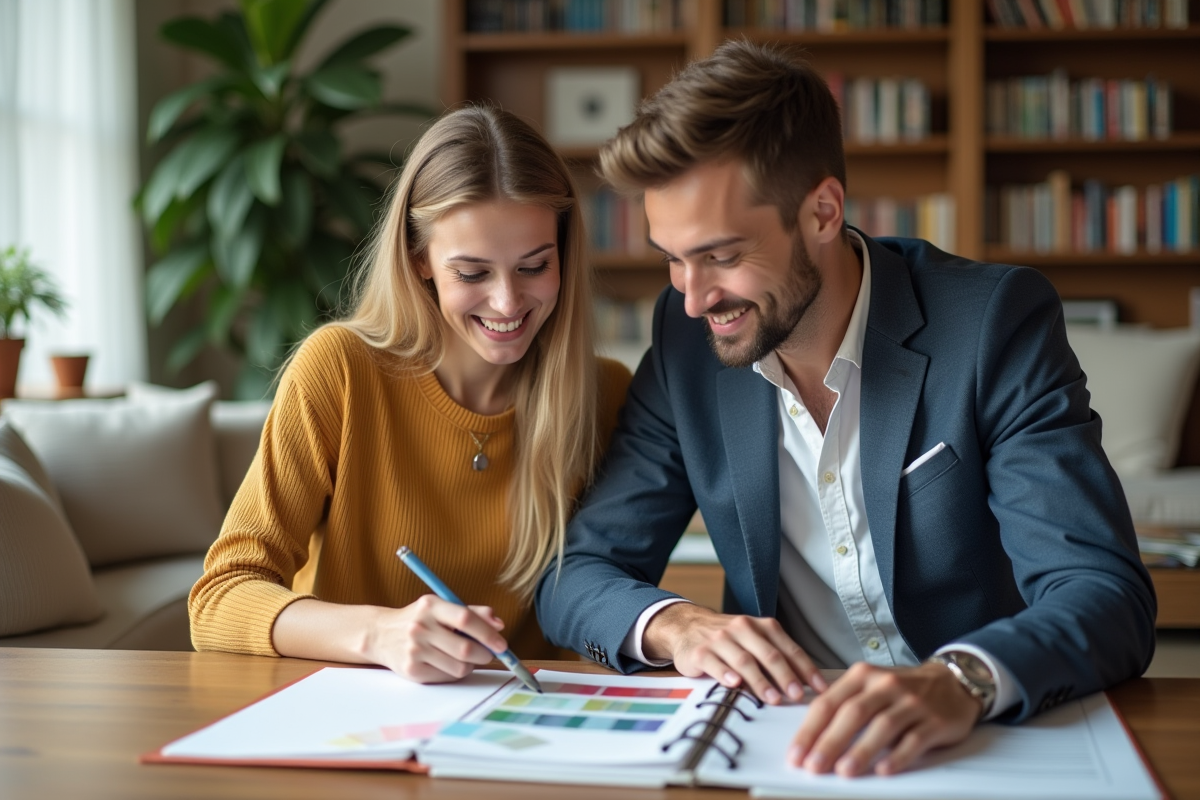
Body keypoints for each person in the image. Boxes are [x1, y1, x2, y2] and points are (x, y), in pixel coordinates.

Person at [535, 41, 1156, 777]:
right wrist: (677, 624)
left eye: (722, 255)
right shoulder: (685, 339)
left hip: (984, 741)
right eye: (672, 256)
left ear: (822, 212)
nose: (693, 296)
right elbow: (579, 572)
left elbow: (1103, 593)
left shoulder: (992, 322)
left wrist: (963, 680)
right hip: (787, 749)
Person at [190, 106, 631, 683]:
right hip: (357, 718)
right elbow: (220, 599)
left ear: (564, 256)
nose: (507, 302)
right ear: (420, 258)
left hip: (526, 717)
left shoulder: (606, 392)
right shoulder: (340, 371)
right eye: (473, 273)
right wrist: (379, 634)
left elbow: (609, 592)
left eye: (533, 266)